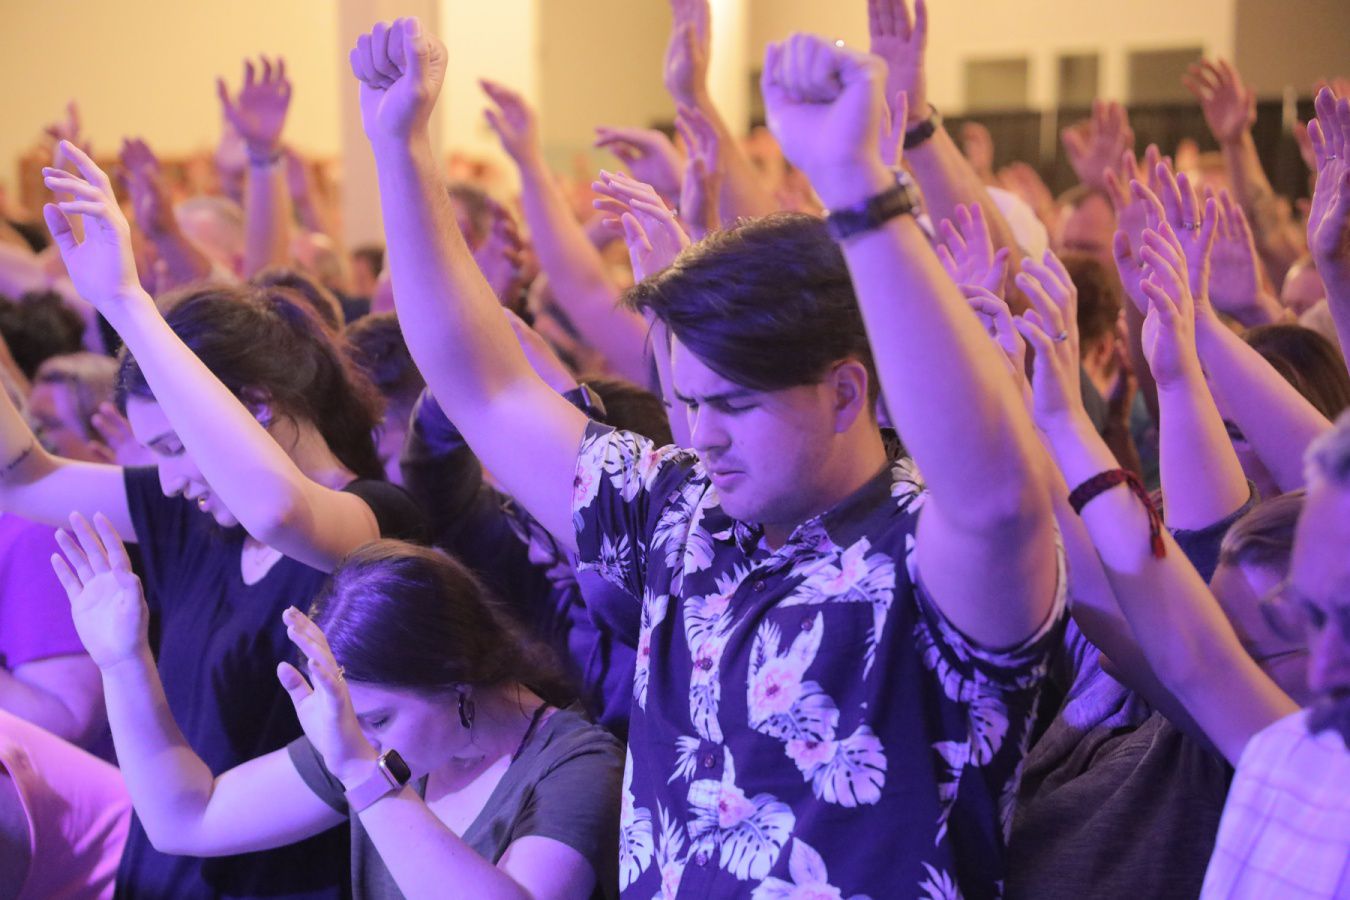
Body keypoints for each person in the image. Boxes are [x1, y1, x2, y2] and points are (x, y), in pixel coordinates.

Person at [357, 17, 1060, 897]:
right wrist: (400, 146)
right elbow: (485, 387)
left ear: (846, 393)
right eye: (688, 401)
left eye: (734, 404)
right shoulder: (683, 509)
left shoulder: (924, 553)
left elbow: (998, 497)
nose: (700, 433)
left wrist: (859, 189)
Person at [0, 142, 428, 898]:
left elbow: (280, 510)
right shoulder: (191, 514)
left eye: (175, 446)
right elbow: (22, 475)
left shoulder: (375, 521)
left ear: (255, 408)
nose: (165, 478)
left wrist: (125, 300)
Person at [51, 524, 622, 900]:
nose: (364, 740)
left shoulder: (579, 764)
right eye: (358, 724)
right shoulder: (371, 747)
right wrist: (123, 662)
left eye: (379, 720)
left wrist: (360, 773)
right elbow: (186, 818)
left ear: (456, 676)